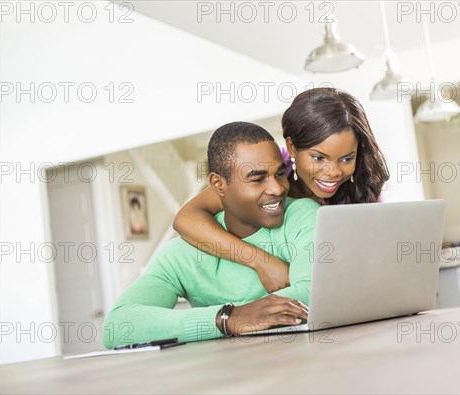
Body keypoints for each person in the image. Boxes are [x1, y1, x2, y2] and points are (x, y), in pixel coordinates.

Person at [103, 122, 317, 348]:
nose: (277, 189)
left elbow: (315, 294)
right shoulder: (182, 253)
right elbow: (117, 327)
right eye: (257, 179)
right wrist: (227, 319)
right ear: (218, 184)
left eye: (280, 173)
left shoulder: (303, 216)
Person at [173, 87, 390, 292]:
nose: (333, 172)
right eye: (318, 157)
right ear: (292, 148)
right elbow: (186, 218)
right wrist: (260, 261)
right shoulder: (267, 175)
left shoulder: (363, 191)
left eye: (346, 158)